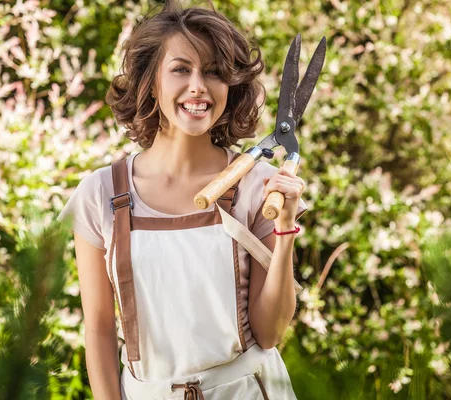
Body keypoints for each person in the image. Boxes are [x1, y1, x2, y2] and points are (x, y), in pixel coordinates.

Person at [58, 1, 308, 398]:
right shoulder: (101, 195)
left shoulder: (260, 187)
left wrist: (285, 228)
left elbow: (270, 332)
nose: (198, 86)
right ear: (151, 83)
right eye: (181, 69)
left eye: (213, 72)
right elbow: (100, 330)